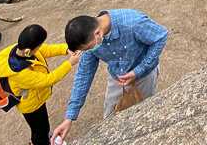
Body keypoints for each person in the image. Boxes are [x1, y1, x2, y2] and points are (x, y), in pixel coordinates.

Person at [51, 10, 168, 144]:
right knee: (110, 119)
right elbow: (84, 74)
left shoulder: (132, 23)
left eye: (88, 48)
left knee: (144, 116)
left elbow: (161, 36)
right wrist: (69, 118)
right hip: (117, 77)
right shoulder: (90, 40)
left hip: (144, 76)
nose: (87, 52)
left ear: (97, 33)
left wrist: (139, 71)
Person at [0, 24, 81, 145]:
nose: (40, 48)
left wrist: (65, 49)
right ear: (28, 51)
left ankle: (39, 140)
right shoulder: (20, 72)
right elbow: (48, 79)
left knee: (40, 127)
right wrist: (70, 63)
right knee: (41, 130)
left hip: (35, 97)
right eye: (38, 47)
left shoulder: (18, 49)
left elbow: (45, 50)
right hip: (31, 105)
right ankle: (39, 142)